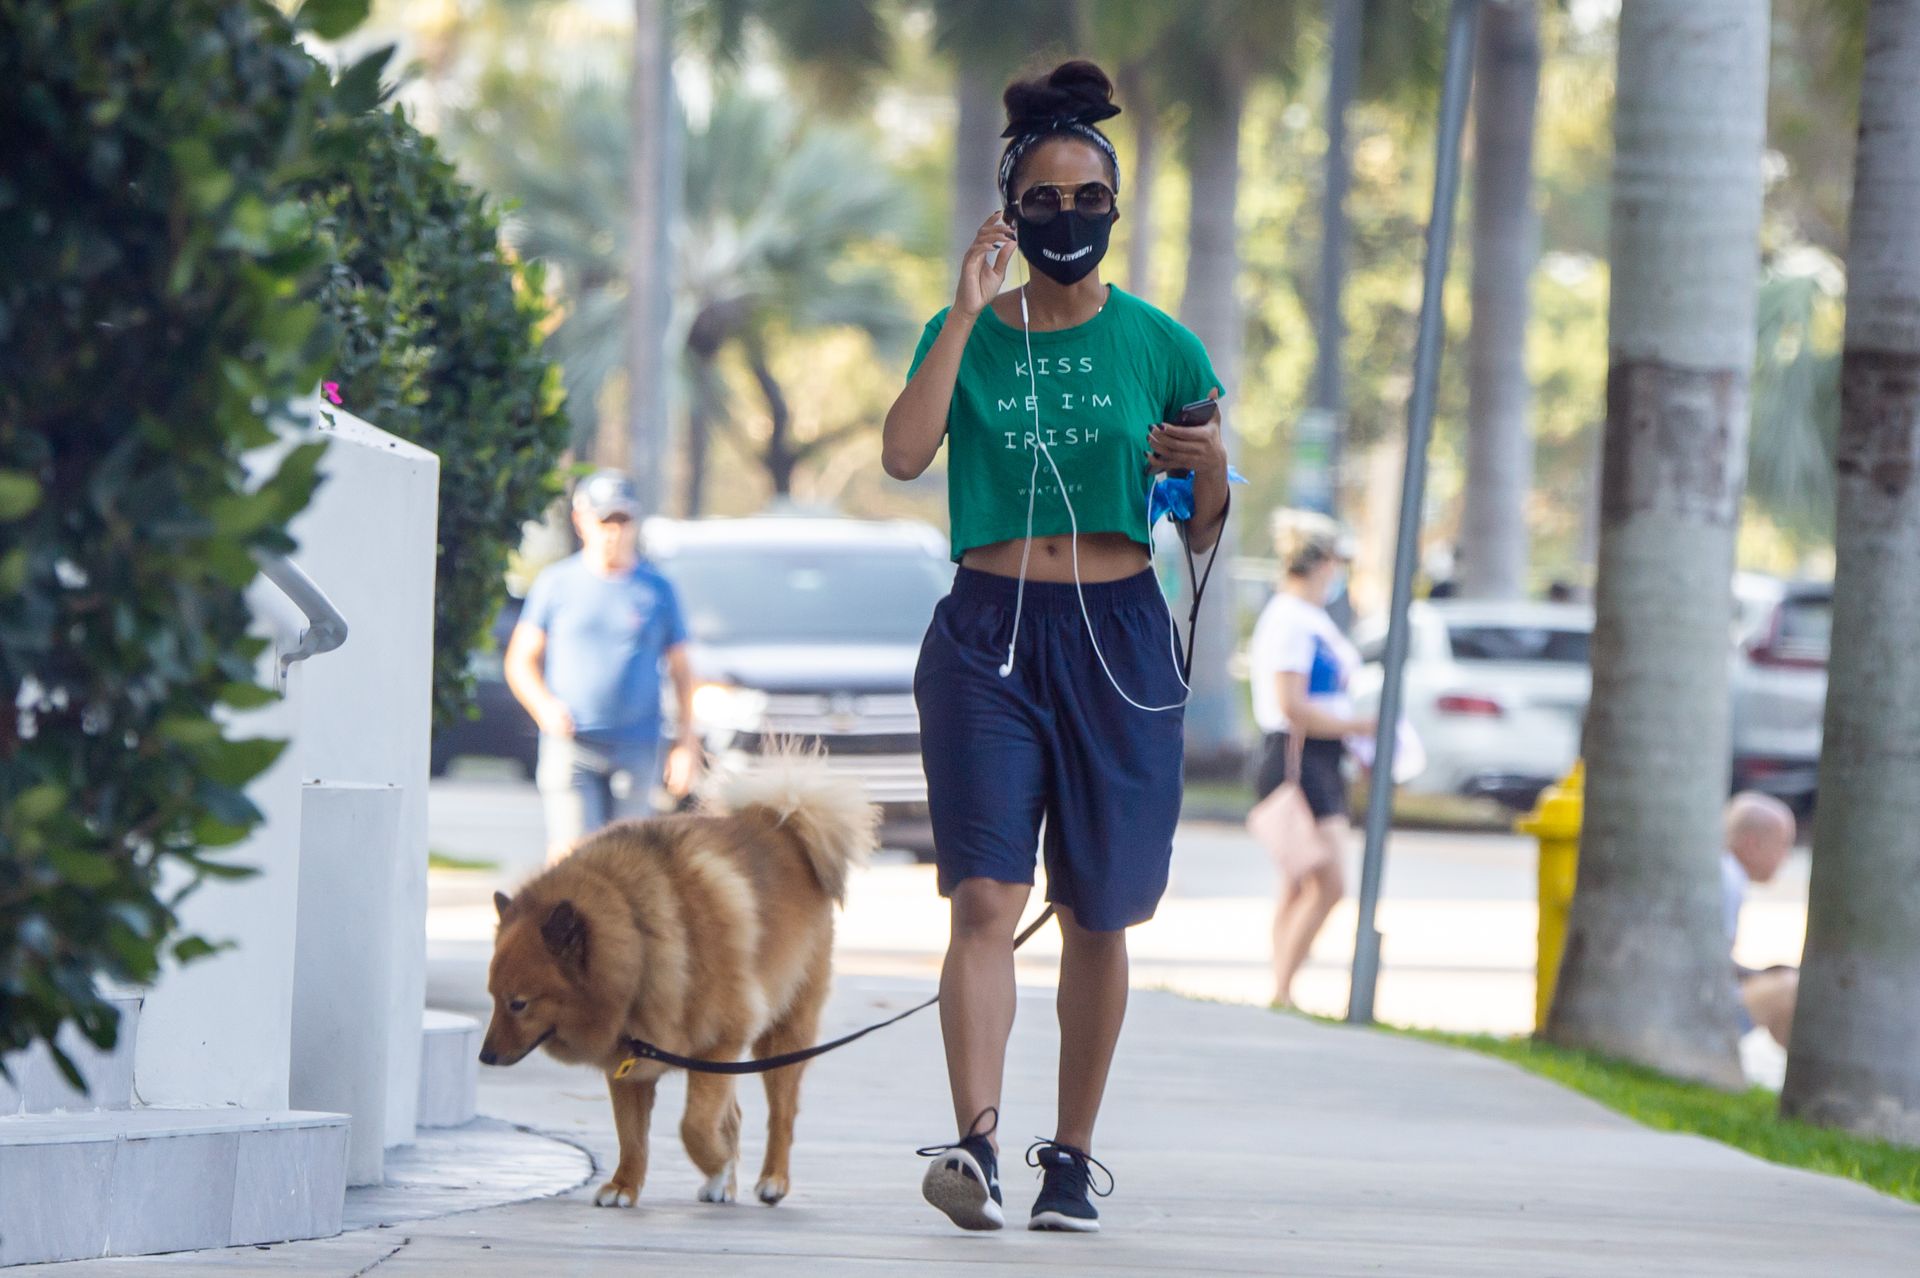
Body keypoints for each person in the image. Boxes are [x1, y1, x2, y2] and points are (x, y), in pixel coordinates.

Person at [882, 60, 1230, 1235]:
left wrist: (1213, 472)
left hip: (1120, 634)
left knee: (1099, 913)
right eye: (1045, 199)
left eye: (1089, 200)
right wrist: (967, 311)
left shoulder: (1163, 345)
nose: (1067, 219)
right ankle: (973, 1148)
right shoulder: (963, 330)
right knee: (984, 896)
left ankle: (1070, 1158)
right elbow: (902, 455)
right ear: (1008, 211)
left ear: (1115, 211)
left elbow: (1205, 520)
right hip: (988, 634)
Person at [503, 470, 699, 860]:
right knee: (571, 855)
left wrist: (686, 744)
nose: (614, 532)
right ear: (581, 520)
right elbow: (520, 660)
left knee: (629, 859)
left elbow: (681, 671)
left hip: (637, 746)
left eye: (622, 521)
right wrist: (544, 706)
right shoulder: (556, 584)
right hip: (572, 745)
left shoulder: (657, 590)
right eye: (605, 520)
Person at [1248, 511, 1374, 1009]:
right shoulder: (1291, 620)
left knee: (1301, 881)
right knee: (1328, 881)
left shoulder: (1310, 617)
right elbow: (1292, 704)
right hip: (1299, 756)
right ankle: (1283, 987)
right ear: (1321, 561)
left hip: (1320, 755)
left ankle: (1282, 985)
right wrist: (1360, 726)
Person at [1722, 791, 1799, 1082]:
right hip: (1699, 1012)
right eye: (1783, 845)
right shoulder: (1729, 879)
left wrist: (1759, 972)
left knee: (1782, 978)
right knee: (1788, 991)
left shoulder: (1725, 872)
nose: (1787, 857)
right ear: (1752, 844)